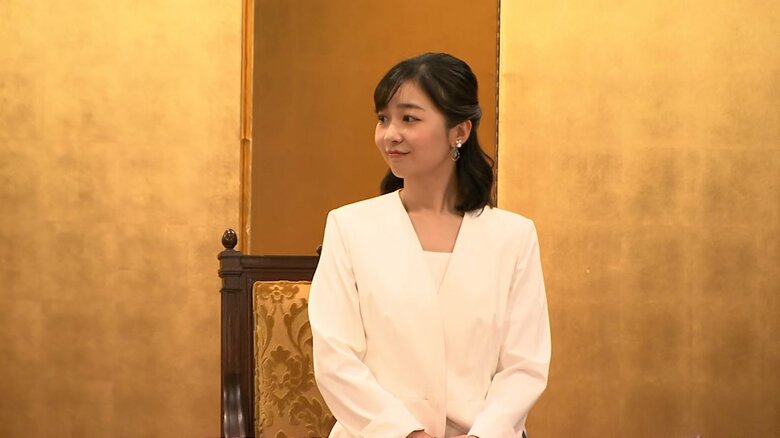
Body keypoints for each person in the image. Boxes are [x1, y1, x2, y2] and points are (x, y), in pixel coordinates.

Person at [308, 52, 551, 438]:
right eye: (383, 118)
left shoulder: (513, 237)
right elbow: (336, 359)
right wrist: (406, 434)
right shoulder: (349, 228)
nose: (390, 134)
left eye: (409, 118)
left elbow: (524, 366)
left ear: (460, 131)